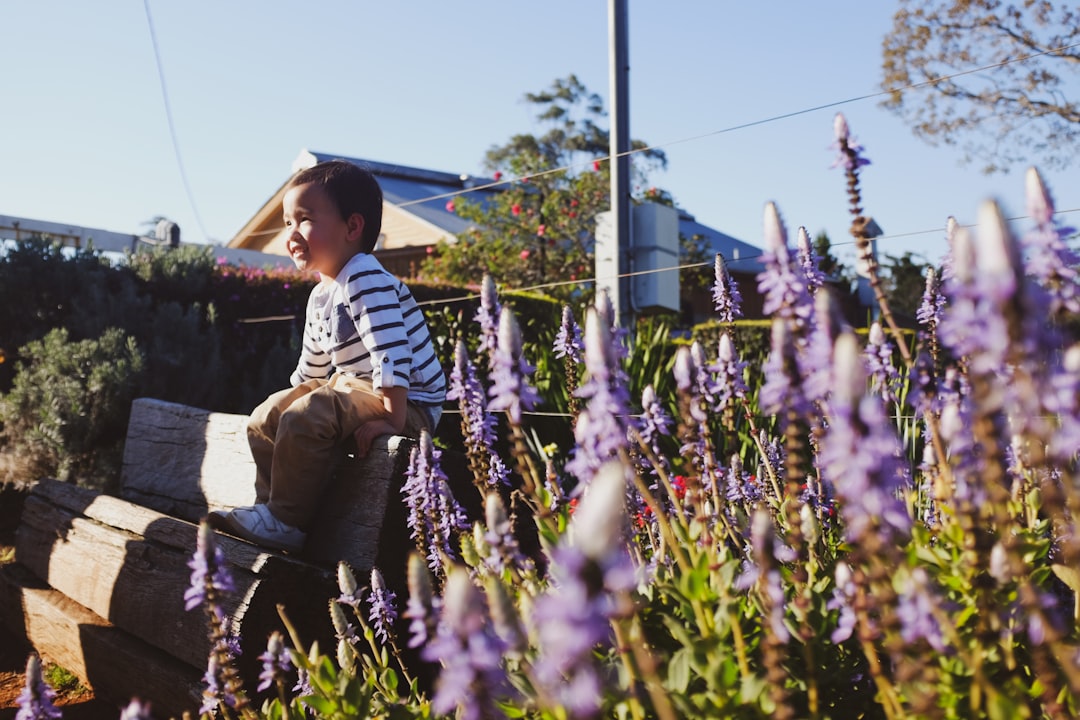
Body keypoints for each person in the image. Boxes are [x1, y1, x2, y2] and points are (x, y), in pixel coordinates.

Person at [210, 160, 446, 552]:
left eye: (304, 219)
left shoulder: (365, 277)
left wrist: (393, 416)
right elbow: (312, 371)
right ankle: (270, 510)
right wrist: (287, 402)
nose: (291, 233)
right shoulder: (321, 294)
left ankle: (286, 520)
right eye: (287, 222)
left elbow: (391, 352)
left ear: (352, 227)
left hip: (409, 402)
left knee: (310, 414)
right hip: (355, 389)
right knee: (267, 416)